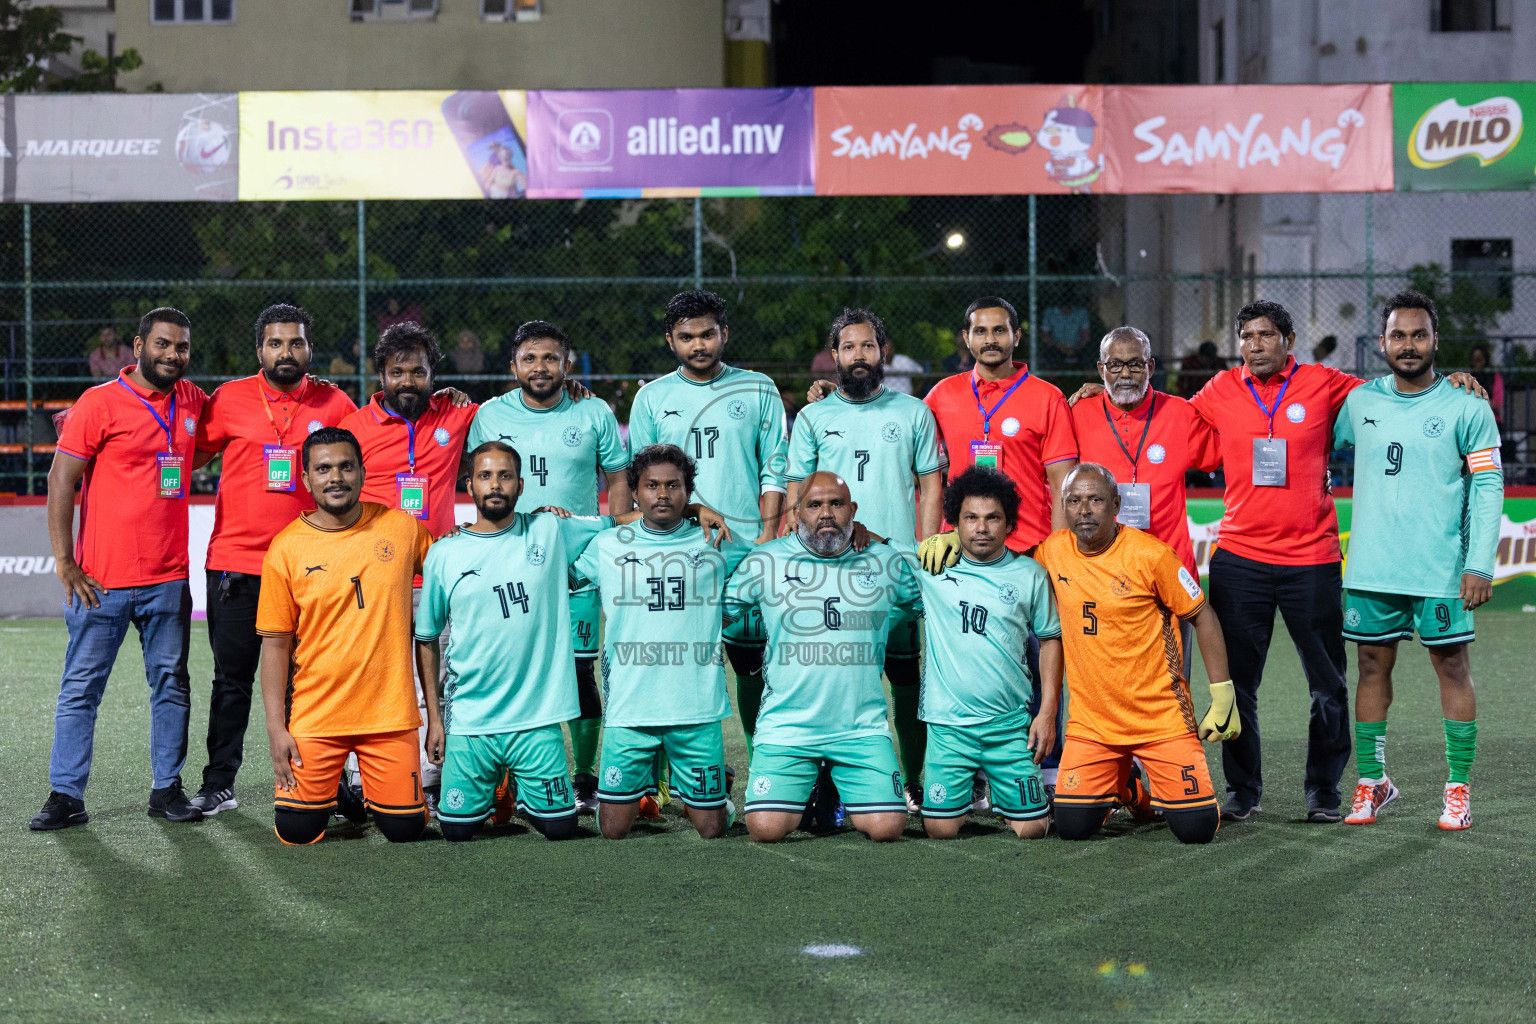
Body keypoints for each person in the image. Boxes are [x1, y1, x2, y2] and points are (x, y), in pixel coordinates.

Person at [1066, 300, 1486, 824]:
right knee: (1238, 684)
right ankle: (1243, 790)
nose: (1256, 345)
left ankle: (1324, 790)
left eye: (1267, 335)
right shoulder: (1218, 390)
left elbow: (1397, 389)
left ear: (1289, 340)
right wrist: (1095, 390)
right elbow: (1161, 411)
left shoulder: (1325, 383)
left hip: (1313, 557)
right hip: (1240, 558)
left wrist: (1452, 382)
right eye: (1247, 337)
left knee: (1328, 685)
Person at [31, 307, 210, 831]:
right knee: (81, 688)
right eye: (162, 344)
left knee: (171, 685)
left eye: (181, 346)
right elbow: (60, 481)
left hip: (167, 578)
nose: (172, 354)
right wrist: (65, 560)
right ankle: (66, 795)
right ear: (137, 346)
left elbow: (207, 446)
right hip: (100, 583)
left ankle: (166, 789)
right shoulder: (99, 402)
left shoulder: (193, 400)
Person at [1334, 292, 1503, 831]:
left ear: (1435, 341)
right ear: (1381, 343)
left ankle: (1457, 789)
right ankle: (1373, 781)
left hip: (1441, 570)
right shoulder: (1359, 403)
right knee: (1368, 668)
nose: (1409, 345)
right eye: (1398, 336)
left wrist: (1479, 563)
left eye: (1419, 335)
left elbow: (1489, 484)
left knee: (1452, 667)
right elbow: (1308, 439)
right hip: (1371, 567)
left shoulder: (1468, 405)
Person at [189, 304, 357, 816]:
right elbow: (183, 450)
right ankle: (219, 783)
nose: (288, 352)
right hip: (237, 564)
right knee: (232, 678)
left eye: (297, 343)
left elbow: (370, 453)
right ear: (259, 349)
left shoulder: (334, 402)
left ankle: (325, 781)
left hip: (312, 565)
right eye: (277, 343)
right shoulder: (230, 399)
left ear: (310, 348)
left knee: (313, 681)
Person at [466, 320, 631, 814]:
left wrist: (615, 537)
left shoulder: (593, 410)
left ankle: (583, 776)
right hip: (511, 565)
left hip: (578, 564)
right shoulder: (490, 414)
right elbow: (479, 481)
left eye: (551, 358)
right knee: (511, 668)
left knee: (580, 671)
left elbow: (618, 478)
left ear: (567, 363)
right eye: (530, 359)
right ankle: (510, 775)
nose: (541, 368)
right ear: (513, 365)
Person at [414, 443, 616, 843]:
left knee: (561, 828)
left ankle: (519, 787)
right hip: (472, 719)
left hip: (535, 721)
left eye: (505, 476)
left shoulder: (549, 530)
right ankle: (500, 784)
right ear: (468, 485)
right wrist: (435, 721)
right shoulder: (444, 553)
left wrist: (694, 511)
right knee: (455, 830)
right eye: (485, 476)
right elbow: (427, 638)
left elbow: (624, 521)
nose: (495, 485)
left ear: (521, 486)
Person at [786, 308, 943, 811]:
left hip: (896, 571)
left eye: (868, 347)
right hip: (832, 572)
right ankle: (827, 786)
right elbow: (798, 492)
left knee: (905, 680)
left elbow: (931, 485)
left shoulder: (913, 412)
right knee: (838, 681)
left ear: (883, 352)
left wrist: (926, 550)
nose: (859, 356)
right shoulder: (814, 416)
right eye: (849, 347)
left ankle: (913, 781)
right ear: (834, 356)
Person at [628, 289, 789, 773]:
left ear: (724, 333)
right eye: (686, 337)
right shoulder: (652, 397)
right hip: (675, 555)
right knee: (673, 667)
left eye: (707, 334)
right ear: (670, 340)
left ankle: (766, 768)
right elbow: (643, 481)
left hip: (743, 556)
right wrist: (692, 508)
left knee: (752, 666)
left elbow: (774, 468)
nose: (698, 345)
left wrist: (766, 537)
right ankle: (657, 781)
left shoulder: (759, 388)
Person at [1034, 463, 1237, 845]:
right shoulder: (1051, 553)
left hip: (1160, 719)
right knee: (1074, 828)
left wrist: (1222, 692)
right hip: (1092, 725)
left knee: (1196, 831)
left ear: (1116, 504)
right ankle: (1127, 789)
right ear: (1063, 507)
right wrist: (953, 544)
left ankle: (1138, 784)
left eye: (1095, 500)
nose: (1084, 510)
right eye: (1074, 501)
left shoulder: (1152, 556)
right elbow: (1003, 568)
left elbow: (1203, 616)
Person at [257, 427, 435, 845]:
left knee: (405, 830)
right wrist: (275, 728)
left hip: (388, 715)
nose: (335, 477)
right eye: (323, 469)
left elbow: (450, 568)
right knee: (296, 831)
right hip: (317, 714)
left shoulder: (403, 529)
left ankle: (371, 789)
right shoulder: (285, 548)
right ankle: (334, 786)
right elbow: (275, 646)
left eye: (345, 467)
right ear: (306, 479)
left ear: (362, 472)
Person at [724, 472, 918, 843]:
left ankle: (833, 780)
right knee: (765, 829)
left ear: (853, 511)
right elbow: (722, 611)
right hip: (788, 726)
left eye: (836, 503)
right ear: (797, 514)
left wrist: (878, 622)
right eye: (814, 505)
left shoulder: (884, 561)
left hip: (859, 728)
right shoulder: (765, 560)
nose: (826, 513)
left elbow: (925, 605)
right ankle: (815, 779)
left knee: (888, 828)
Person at [571, 444, 748, 840]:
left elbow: (771, 565)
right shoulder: (609, 544)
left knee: (711, 829)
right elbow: (564, 575)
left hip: (696, 708)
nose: (663, 494)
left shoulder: (717, 540)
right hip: (631, 710)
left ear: (689, 493)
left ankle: (719, 794)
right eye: (651, 486)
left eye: (674, 485)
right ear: (635, 492)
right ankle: (650, 791)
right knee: (613, 830)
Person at [338, 322, 477, 805]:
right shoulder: (356, 429)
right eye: (398, 371)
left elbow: (517, 413)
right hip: (379, 579)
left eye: (418, 371)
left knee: (434, 679)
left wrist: (574, 388)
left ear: (433, 374)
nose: (408, 381)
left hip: (437, 579)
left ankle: (430, 775)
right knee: (375, 676)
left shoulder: (457, 415)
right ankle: (358, 778)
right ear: (381, 374)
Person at [915, 466, 1061, 839]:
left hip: (1008, 727)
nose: (981, 528)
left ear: (1009, 522)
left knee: (1033, 829)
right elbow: (878, 553)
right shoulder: (930, 569)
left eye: (992, 517)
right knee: (940, 830)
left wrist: (1046, 713)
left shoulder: (1030, 574)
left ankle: (1007, 792)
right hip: (948, 729)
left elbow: (1050, 641)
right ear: (955, 523)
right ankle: (969, 792)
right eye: (971, 518)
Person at [1070, 326, 1221, 676]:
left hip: (1167, 569)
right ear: (1100, 369)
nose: (1125, 373)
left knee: (1171, 682)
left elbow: (1228, 446)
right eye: (1115, 365)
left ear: (1151, 367)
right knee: (1105, 679)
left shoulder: (1182, 414)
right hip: (1100, 570)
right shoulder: (1076, 415)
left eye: (1135, 364)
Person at [1039, 301, 1091, 371]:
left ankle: (1090, 380)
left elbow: (1085, 336)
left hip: (1077, 347)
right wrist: (1060, 346)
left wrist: (1077, 347)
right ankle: (1052, 381)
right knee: (1052, 360)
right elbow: (1045, 336)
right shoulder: (1050, 313)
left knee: (1088, 359)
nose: (1066, 310)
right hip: (1057, 348)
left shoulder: (1081, 312)